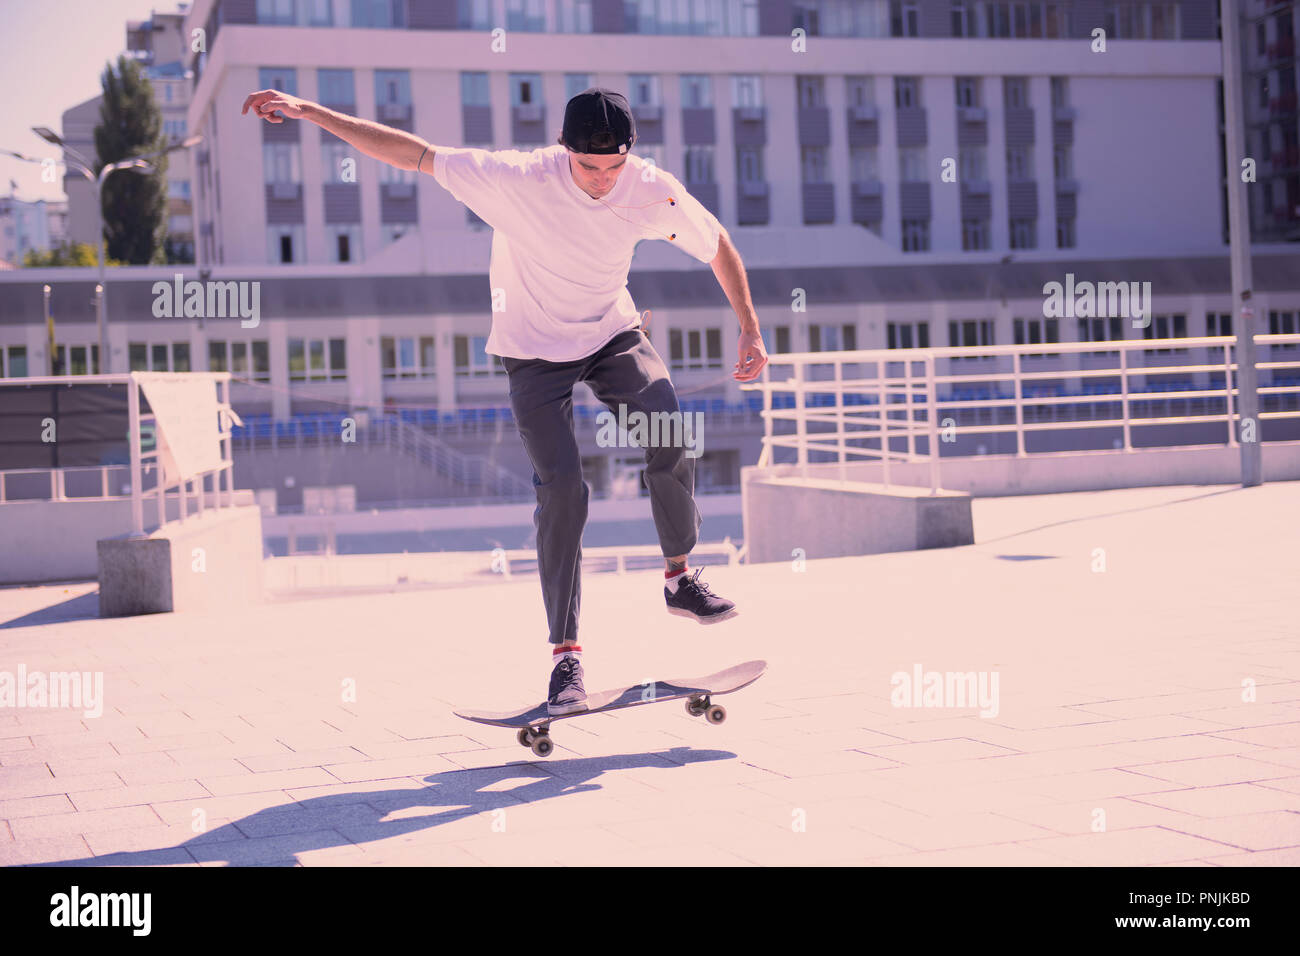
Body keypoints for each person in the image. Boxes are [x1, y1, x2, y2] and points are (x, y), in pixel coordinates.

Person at [242, 86, 767, 716]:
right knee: (564, 489)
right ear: (562, 150)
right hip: (532, 352)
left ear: (631, 154)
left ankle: (680, 577)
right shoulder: (514, 177)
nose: (602, 182)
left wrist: (751, 327)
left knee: (666, 422)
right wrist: (310, 111)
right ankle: (566, 659)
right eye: (587, 168)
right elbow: (412, 153)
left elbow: (718, 246)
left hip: (610, 332)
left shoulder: (651, 186)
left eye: (614, 168)